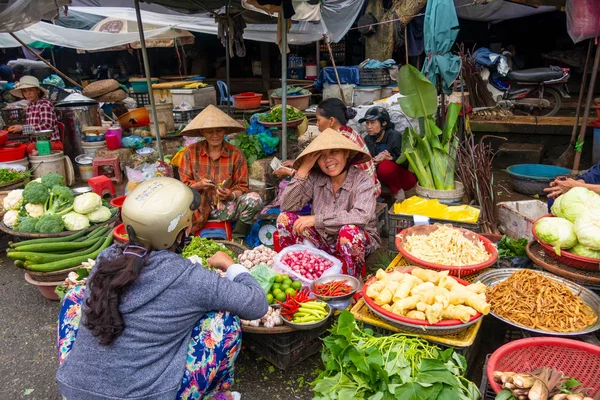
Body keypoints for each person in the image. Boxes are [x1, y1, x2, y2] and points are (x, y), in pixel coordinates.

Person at [56, 177, 268, 400]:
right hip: (146, 396)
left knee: (75, 296)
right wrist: (231, 265)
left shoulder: (106, 259)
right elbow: (256, 304)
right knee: (225, 322)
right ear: (177, 233)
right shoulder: (189, 277)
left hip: (74, 390)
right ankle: (214, 394)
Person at [277, 128, 381, 278]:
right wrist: (303, 169)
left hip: (355, 241)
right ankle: (295, 274)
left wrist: (316, 219)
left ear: (346, 153)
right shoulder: (316, 177)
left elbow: (361, 216)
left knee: (349, 232)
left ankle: (354, 280)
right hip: (323, 238)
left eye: (334, 152)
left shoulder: (362, 180)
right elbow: (286, 206)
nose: (328, 160)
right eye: (322, 156)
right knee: (284, 218)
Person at [178, 105, 263, 240]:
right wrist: (199, 185)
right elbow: (182, 186)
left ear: (225, 131)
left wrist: (230, 195)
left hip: (224, 208)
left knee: (254, 200)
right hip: (196, 208)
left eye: (219, 130)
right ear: (202, 132)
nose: (215, 135)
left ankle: (237, 239)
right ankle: (185, 239)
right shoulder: (191, 152)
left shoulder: (235, 154)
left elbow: (242, 186)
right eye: (209, 131)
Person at [274, 98, 381, 196]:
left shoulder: (340, 141)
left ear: (331, 121)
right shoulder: (347, 131)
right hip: (369, 187)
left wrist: (289, 172)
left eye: (318, 120)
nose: (316, 124)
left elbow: (324, 175)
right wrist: (296, 164)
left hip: (364, 193)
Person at [359, 106, 417, 202]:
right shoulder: (367, 139)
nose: (369, 126)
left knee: (385, 166)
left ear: (384, 123)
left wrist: (390, 158)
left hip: (404, 179)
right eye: (367, 123)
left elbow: (407, 164)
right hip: (381, 178)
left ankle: (398, 192)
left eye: (372, 123)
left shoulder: (395, 136)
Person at [9, 75, 63, 154]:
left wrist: (22, 128)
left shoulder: (44, 104)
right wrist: (17, 130)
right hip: (36, 143)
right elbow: (32, 128)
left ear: (37, 90)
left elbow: (46, 126)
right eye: (25, 91)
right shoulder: (30, 106)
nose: (28, 93)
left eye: (30, 90)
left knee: (30, 147)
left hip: (50, 142)